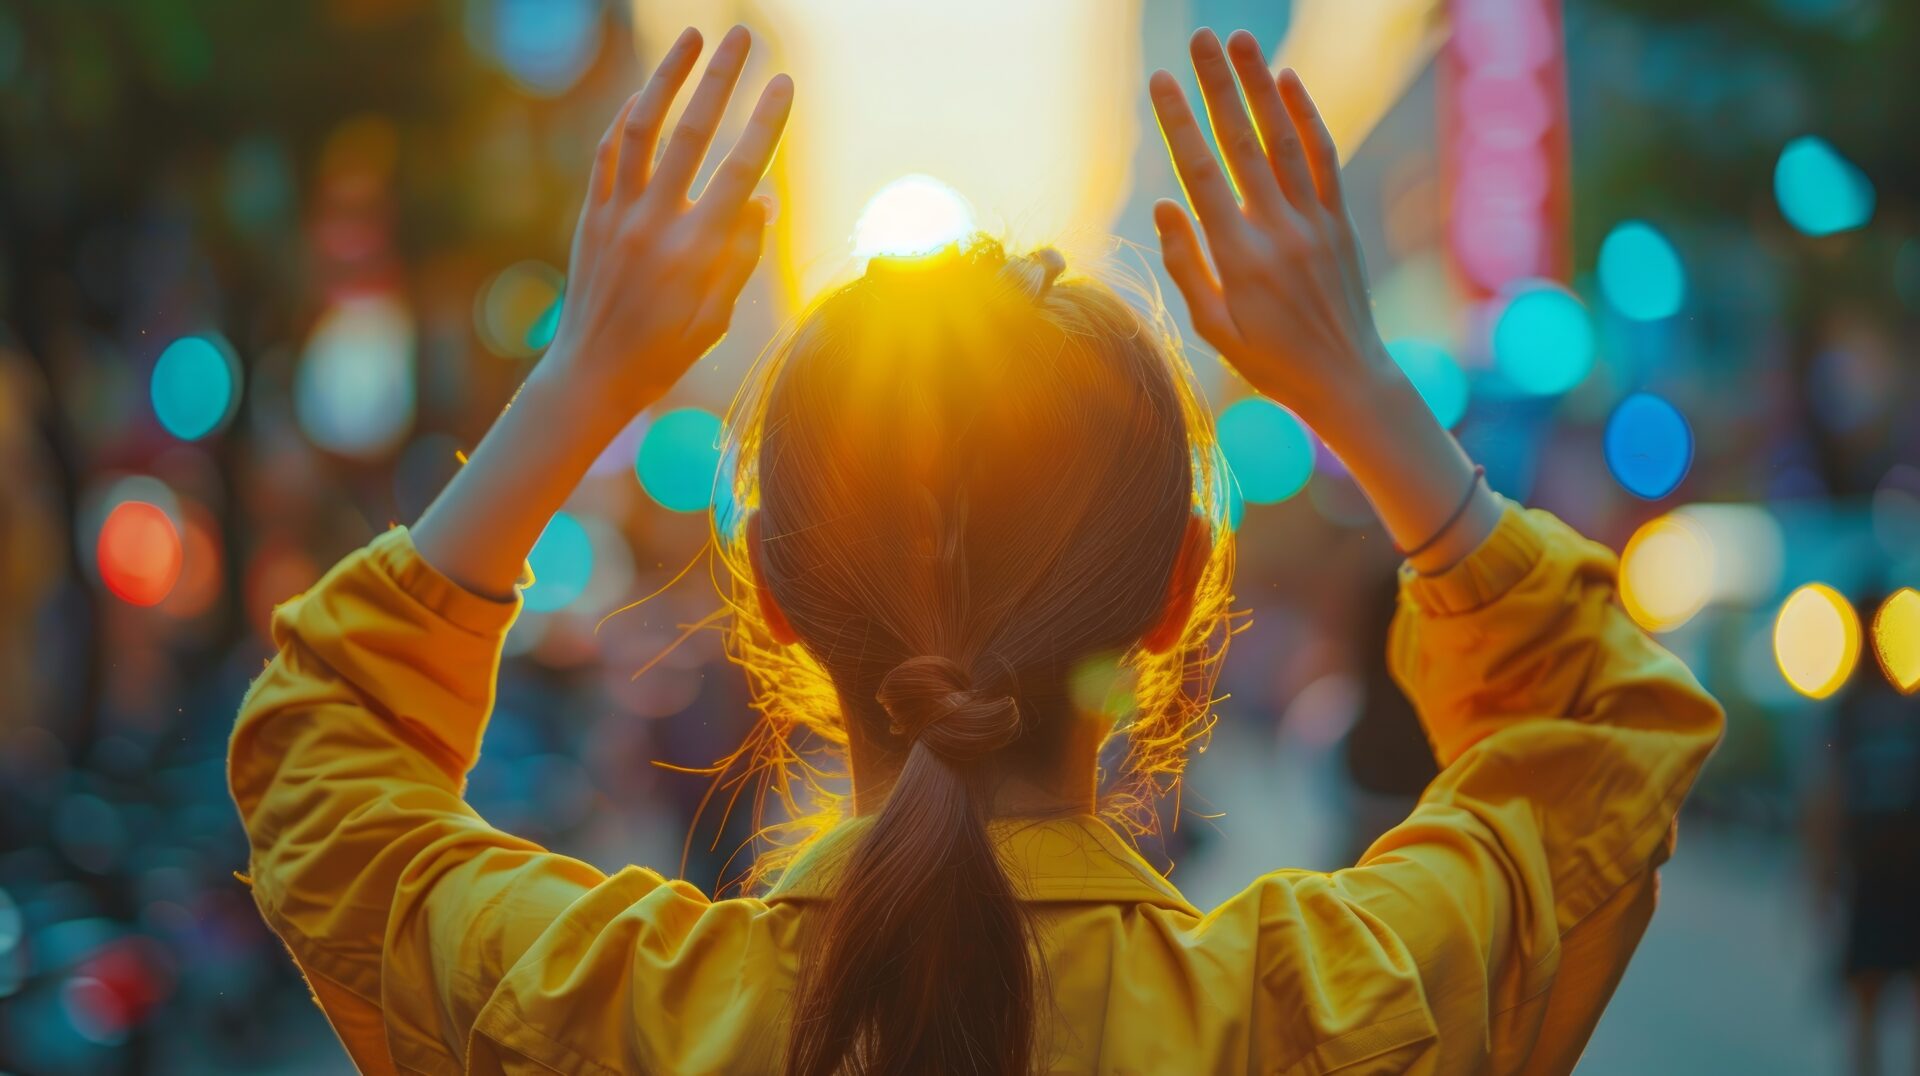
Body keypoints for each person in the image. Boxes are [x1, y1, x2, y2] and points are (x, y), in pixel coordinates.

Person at [229, 25, 1724, 1075]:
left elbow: (316, 764)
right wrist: (1354, 381)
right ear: (1175, 592)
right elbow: (1602, 729)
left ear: (768, 593)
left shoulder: (597, 1011)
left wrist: (578, 381)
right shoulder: (1328, 1015)